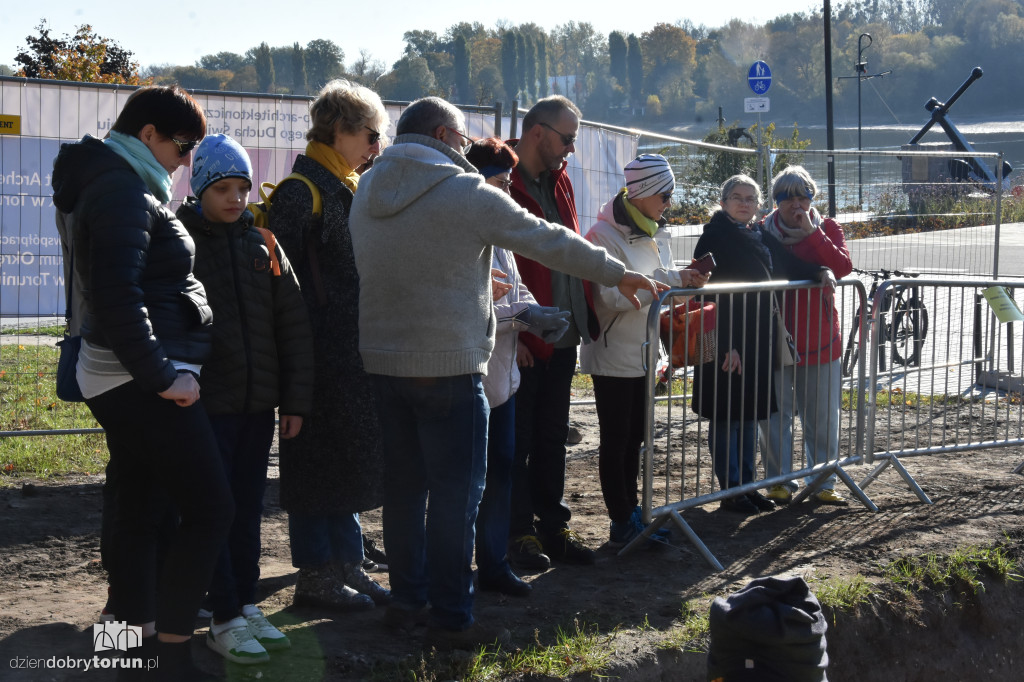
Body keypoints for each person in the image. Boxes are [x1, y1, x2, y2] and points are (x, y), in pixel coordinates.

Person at [347, 96, 663, 648]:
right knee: (455, 497)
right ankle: (451, 617)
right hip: (448, 365)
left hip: (383, 363)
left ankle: (407, 601)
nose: (468, 152)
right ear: (445, 136)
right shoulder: (464, 191)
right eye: (463, 141)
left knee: (403, 492)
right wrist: (618, 272)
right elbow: (546, 237)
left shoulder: (367, 187)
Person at [51, 85, 231, 680]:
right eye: (183, 146)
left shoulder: (117, 182)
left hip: (124, 376)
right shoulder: (122, 189)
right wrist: (163, 378)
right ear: (148, 134)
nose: (186, 161)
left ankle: (131, 638)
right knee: (210, 508)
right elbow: (117, 300)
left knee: (138, 501)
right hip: (137, 378)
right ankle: (171, 655)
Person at [176, 134, 314, 663]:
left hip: (257, 407)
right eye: (223, 188)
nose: (235, 198)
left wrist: (294, 401)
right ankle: (223, 613)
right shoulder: (181, 242)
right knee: (215, 509)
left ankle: (242, 602)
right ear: (200, 189)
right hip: (205, 407)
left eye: (242, 188)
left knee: (248, 508)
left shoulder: (265, 245)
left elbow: (293, 327)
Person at [269, 79, 391, 611]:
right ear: (339, 129)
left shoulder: (345, 186)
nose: (376, 148)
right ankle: (316, 575)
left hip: (350, 354)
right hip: (316, 359)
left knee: (348, 463)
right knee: (317, 466)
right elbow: (281, 292)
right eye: (370, 134)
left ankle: (348, 566)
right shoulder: (302, 192)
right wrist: (298, 366)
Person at [580, 154, 708, 547]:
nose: (670, 202)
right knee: (616, 438)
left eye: (672, 194)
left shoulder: (651, 230)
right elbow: (609, 296)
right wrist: (670, 281)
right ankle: (621, 521)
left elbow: (657, 293)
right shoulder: (601, 236)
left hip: (642, 351)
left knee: (636, 436)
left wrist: (681, 287)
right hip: (613, 351)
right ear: (643, 193)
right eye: (665, 194)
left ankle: (632, 512)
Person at [464, 138, 572, 597]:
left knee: (503, 472)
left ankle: (494, 563)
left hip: (504, 380)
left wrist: (534, 314)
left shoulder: (500, 231)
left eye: (509, 182)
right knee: (469, 482)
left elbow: (516, 290)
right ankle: (456, 570)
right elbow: (473, 309)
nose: (506, 191)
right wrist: (524, 319)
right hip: (474, 378)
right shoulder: (465, 231)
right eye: (499, 181)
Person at [691, 174, 833, 515]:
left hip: (756, 342)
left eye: (750, 199)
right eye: (737, 197)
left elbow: (787, 265)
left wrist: (819, 272)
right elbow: (706, 296)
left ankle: (749, 486)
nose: (744, 203)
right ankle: (731, 490)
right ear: (723, 202)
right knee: (728, 417)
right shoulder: (715, 237)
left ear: (758, 206)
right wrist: (727, 346)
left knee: (749, 416)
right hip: (729, 343)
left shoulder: (757, 235)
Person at [507, 95, 597, 569]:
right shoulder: (498, 182)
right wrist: (516, 334)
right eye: (567, 139)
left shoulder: (559, 180)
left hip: (562, 336)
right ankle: (517, 533)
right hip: (523, 340)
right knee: (518, 442)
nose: (571, 149)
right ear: (537, 132)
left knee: (550, 438)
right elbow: (495, 269)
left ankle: (552, 527)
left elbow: (570, 249)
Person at [758, 166, 853, 506]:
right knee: (773, 417)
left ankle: (823, 481)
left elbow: (842, 267)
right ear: (776, 202)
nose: (796, 205)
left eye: (803, 197)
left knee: (822, 417)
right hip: (773, 339)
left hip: (820, 339)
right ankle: (779, 481)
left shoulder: (827, 228)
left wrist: (812, 232)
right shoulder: (761, 231)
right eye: (788, 198)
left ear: (813, 199)